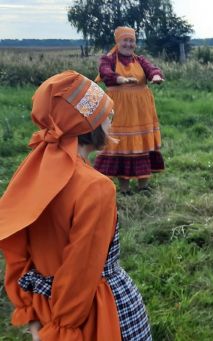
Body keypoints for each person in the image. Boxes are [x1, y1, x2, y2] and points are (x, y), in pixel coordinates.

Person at [0, 71, 151, 340]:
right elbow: (81, 272)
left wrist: (33, 314)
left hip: (45, 305)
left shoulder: (33, 170)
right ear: (86, 124)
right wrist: (63, 329)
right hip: (92, 314)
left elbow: (16, 248)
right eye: (105, 112)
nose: (112, 118)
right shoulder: (96, 187)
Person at [94, 26, 165, 195]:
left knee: (142, 142)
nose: (128, 44)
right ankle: (124, 188)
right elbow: (105, 73)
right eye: (125, 40)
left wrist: (155, 76)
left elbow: (152, 69)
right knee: (121, 144)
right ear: (118, 42)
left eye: (131, 41)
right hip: (118, 109)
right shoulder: (108, 59)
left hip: (141, 109)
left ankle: (143, 186)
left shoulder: (140, 60)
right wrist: (121, 79)